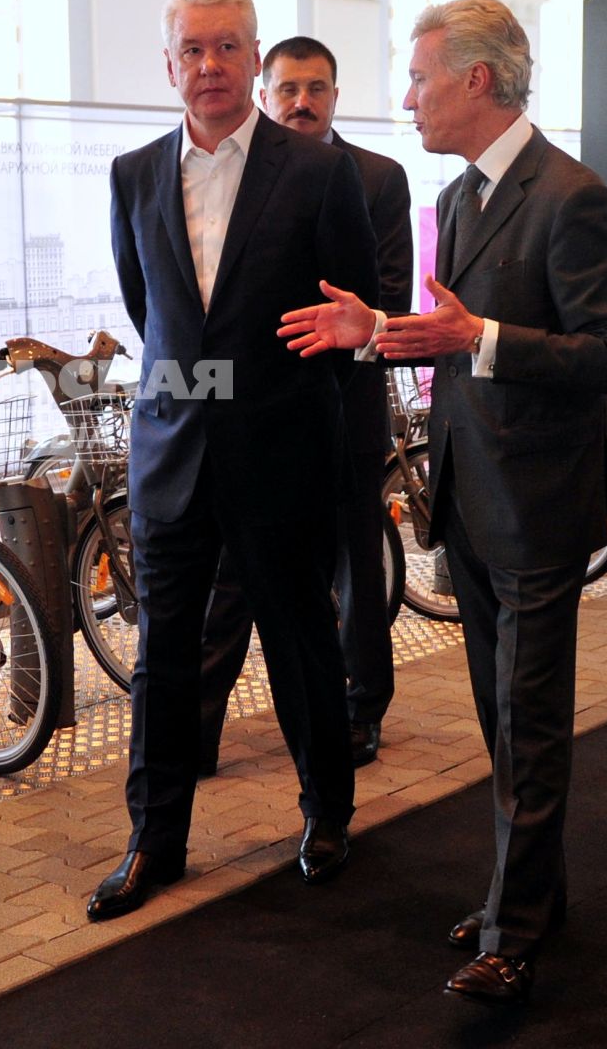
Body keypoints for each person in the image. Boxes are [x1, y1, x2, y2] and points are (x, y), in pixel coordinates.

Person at [278, 0, 607, 1004]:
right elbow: (453, 326)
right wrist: (374, 327)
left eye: (419, 76)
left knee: (528, 719)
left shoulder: (569, 196)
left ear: (475, 81)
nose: (406, 98)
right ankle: (525, 893)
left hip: (536, 501)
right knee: (500, 714)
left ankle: (514, 930)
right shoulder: (466, 197)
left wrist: (475, 338)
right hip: (474, 494)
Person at [86, 0, 378, 924]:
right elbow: (152, 314)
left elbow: (351, 320)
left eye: (227, 49)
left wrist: (286, 411)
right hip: (171, 455)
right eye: (191, 50)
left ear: (255, 60)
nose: (209, 67)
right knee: (163, 659)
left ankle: (327, 814)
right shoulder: (134, 173)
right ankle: (152, 843)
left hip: (282, 454)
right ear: (167, 65)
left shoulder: (319, 172)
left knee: (300, 645)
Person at [200, 38, 413, 773]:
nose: (301, 102)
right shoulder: (233, 176)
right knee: (233, 572)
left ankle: (360, 711)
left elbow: (378, 302)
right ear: (264, 94)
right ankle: (197, 724)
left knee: (354, 563)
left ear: (334, 95)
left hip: (342, 407)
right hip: (249, 414)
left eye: (316, 88)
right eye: (288, 88)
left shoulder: (379, 178)